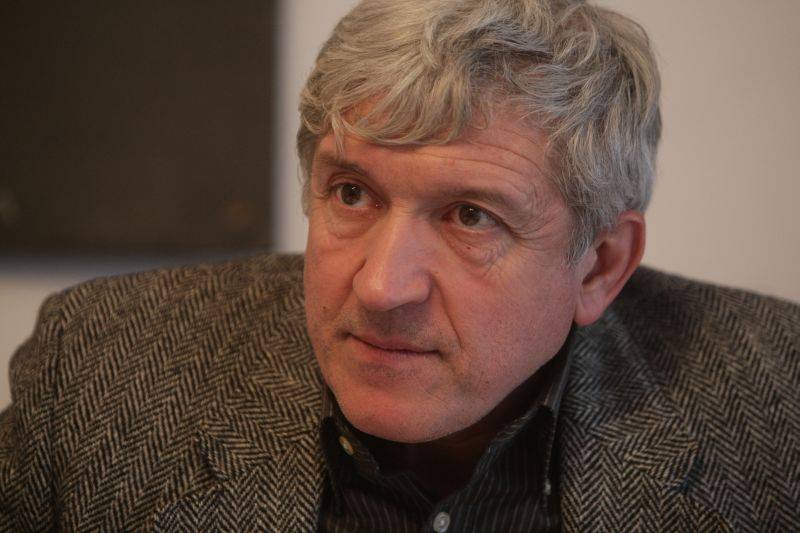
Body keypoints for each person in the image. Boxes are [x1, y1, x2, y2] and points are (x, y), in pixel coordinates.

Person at [1, 0, 798, 530]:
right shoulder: (100, 373)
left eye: (471, 216)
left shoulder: (774, 405)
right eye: (352, 193)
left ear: (600, 266)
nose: (382, 287)